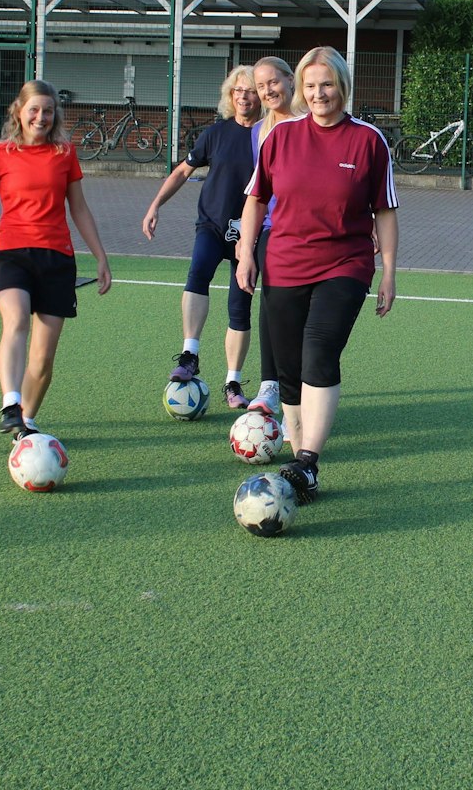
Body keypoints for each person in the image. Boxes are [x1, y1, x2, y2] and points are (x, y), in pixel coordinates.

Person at [233, 46, 396, 502]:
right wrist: (247, 253)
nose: (319, 93)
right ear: (300, 90)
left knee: (319, 351)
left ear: (342, 85)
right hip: (283, 263)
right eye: (310, 85)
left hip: (346, 264)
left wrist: (389, 273)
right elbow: (256, 200)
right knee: (288, 368)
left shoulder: (368, 141)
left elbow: (385, 211)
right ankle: (297, 449)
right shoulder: (280, 137)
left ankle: (308, 461)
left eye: (326, 84)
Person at [0, 79, 112, 440]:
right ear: (19, 111)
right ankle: (10, 403)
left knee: (43, 360)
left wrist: (101, 257)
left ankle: (25, 423)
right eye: (34, 109)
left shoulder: (65, 153)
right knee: (15, 320)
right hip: (12, 254)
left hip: (57, 259)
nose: (41, 117)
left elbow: (78, 208)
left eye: (48, 111)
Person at [143, 66, 262, 407]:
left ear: (261, 96)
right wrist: (155, 205)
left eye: (251, 90)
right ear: (230, 95)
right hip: (211, 223)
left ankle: (233, 383)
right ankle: (189, 355)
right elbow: (183, 170)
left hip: (250, 232)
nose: (243, 96)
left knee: (239, 305)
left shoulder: (270, 135)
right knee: (197, 275)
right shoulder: (215, 133)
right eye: (238, 90)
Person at [240, 55, 298, 417]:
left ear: (291, 80)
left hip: (306, 228)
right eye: (261, 86)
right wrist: (244, 241)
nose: (267, 91)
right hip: (270, 228)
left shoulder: (311, 123)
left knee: (303, 314)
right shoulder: (257, 131)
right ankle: (269, 386)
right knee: (271, 302)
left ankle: (303, 386)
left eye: (273, 82)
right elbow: (256, 191)